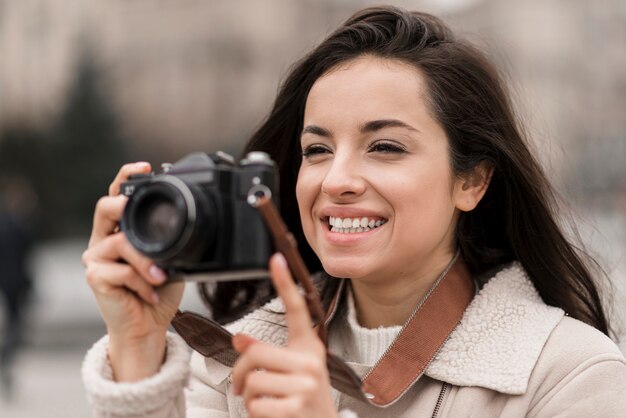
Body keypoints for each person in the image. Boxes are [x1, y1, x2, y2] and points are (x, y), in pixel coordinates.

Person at [81, 6, 626, 417]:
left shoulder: (572, 376)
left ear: (473, 181)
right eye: (316, 150)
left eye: (385, 146)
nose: (336, 180)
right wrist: (137, 349)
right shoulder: (232, 363)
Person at [0, 176, 36, 401]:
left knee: (15, 324)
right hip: (16, 283)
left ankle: (6, 355)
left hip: (7, 282)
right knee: (16, 325)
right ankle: (6, 355)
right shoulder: (19, 227)